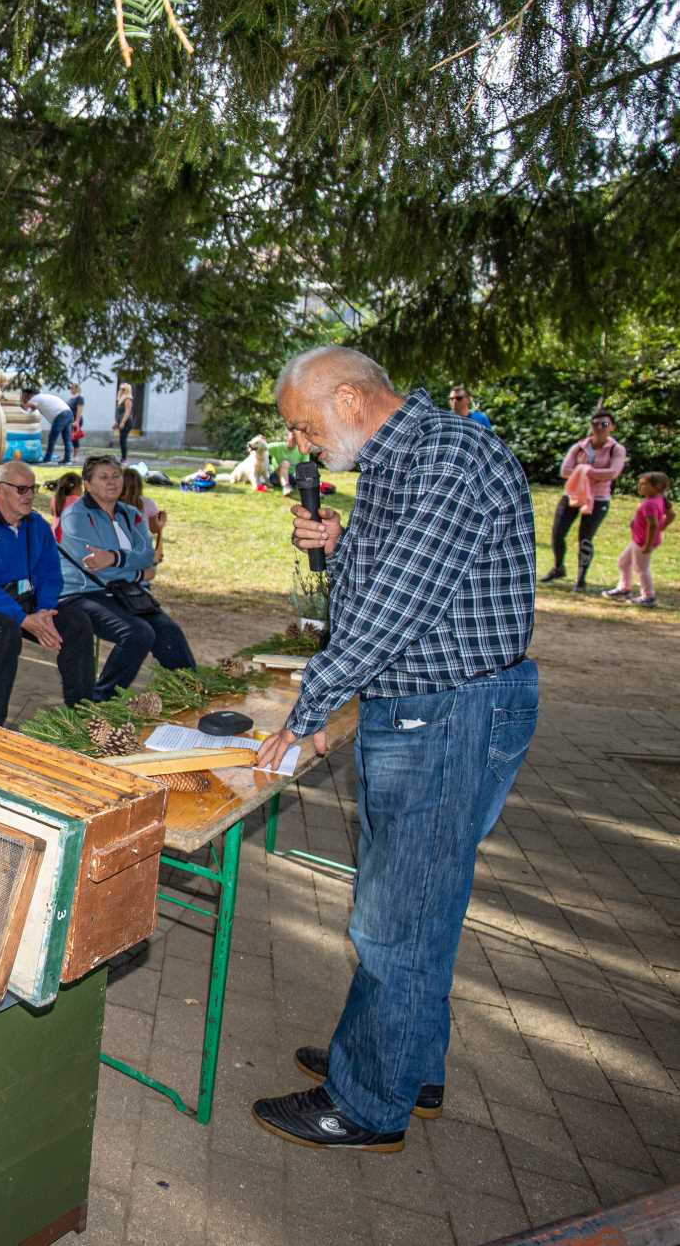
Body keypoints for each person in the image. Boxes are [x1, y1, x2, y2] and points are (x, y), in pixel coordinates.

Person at [251, 345, 538, 1154]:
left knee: (395, 920)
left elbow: (393, 612)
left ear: (348, 398)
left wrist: (306, 711)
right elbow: (414, 581)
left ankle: (368, 1103)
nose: (304, 447)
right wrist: (342, 543)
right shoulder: (397, 458)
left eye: (305, 428)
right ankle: (408, 1061)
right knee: (423, 903)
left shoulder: (446, 456)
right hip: (430, 707)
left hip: (448, 714)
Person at [0, 460, 95, 723]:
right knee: (5, 633)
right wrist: (25, 620)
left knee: (76, 623)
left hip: (22, 601)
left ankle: (82, 714)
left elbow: (49, 574)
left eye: (33, 489)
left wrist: (45, 612)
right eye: (22, 489)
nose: (30, 496)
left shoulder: (36, 525)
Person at [58, 455, 195, 699]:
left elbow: (149, 555)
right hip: (83, 592)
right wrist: (140, 571)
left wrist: (114, 558)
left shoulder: (132, 514)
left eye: (116, 476)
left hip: (127, 592)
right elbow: (91, 563)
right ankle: (100, 701)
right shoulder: (75, 515)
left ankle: (190, 692)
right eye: (103, 477)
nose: (112, 482)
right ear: (87, 484)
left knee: (168, 631)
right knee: (137, 633)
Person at [544, 408, 627, 591]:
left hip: (598, 499)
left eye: (604, 424)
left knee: (585, 538)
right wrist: (589, 472)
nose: (599, 427)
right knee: (558, 534)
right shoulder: (580, 446)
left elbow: (613, 473)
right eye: (595, 424)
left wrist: (586, 471)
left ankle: (581, 578)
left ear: (612, 427)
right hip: (572, 495)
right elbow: (564, 470)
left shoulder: (616, 449)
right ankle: (559, 567)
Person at [603, 472, 671, 607]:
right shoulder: (658, 499)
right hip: (638, 540)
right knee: (623, 561)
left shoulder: (650, 504)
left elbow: (652, 525)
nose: (639, 486)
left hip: (643, 543)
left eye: (644, 484)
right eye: (639, 483)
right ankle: (624, 588)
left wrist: (648, 544)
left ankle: (648, 597)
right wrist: (661, 527)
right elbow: (671, 515)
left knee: (641, 569)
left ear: (657, 487)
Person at [117, 468, 166, 569]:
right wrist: (162, 522)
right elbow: (154, 529)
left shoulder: (109, 504)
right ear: (139, 485)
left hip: (116, 554)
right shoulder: (148, 503)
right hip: (141, 554)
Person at [24, 387, 74, 465]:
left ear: (30, 395)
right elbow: (33, 408)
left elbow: (25, 407)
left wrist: (22, 403)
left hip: (60, 415)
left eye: (26, 396)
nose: (26, 398)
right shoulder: (42, 397)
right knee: (67, 439)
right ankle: (68, 460)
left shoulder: (35, 398)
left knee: (52, 438)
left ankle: (47, 459)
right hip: (69, 413)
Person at [49, 471, 84, 541]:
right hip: (70, 540)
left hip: (54, 536)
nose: (82, 490)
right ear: (76, 488)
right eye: (81, 486)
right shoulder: (77, 501)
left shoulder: (55, 498)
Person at [112, 383, 136, 461]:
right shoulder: (121, 399)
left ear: (126, 390)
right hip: (121, 421)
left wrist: (122, 422)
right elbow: (118, 412)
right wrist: (116, 422)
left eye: (123, 389)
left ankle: (124, 459)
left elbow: (127, 412)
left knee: (123, 440)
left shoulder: (127, 399)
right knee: (121, 440)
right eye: (120, 389)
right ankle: (123, 458)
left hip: (126, 422)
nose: (120, 390)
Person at [67, 382, 86, 460]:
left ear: (76, 388)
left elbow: (79, 410)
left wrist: (77, 422)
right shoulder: (71, 398)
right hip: (70, 420)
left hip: (76, 420)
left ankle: (75, 456)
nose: (70, 390)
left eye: (71, 388)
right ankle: (70, 455)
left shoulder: (80, 398)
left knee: (75, 438)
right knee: (69, 438)